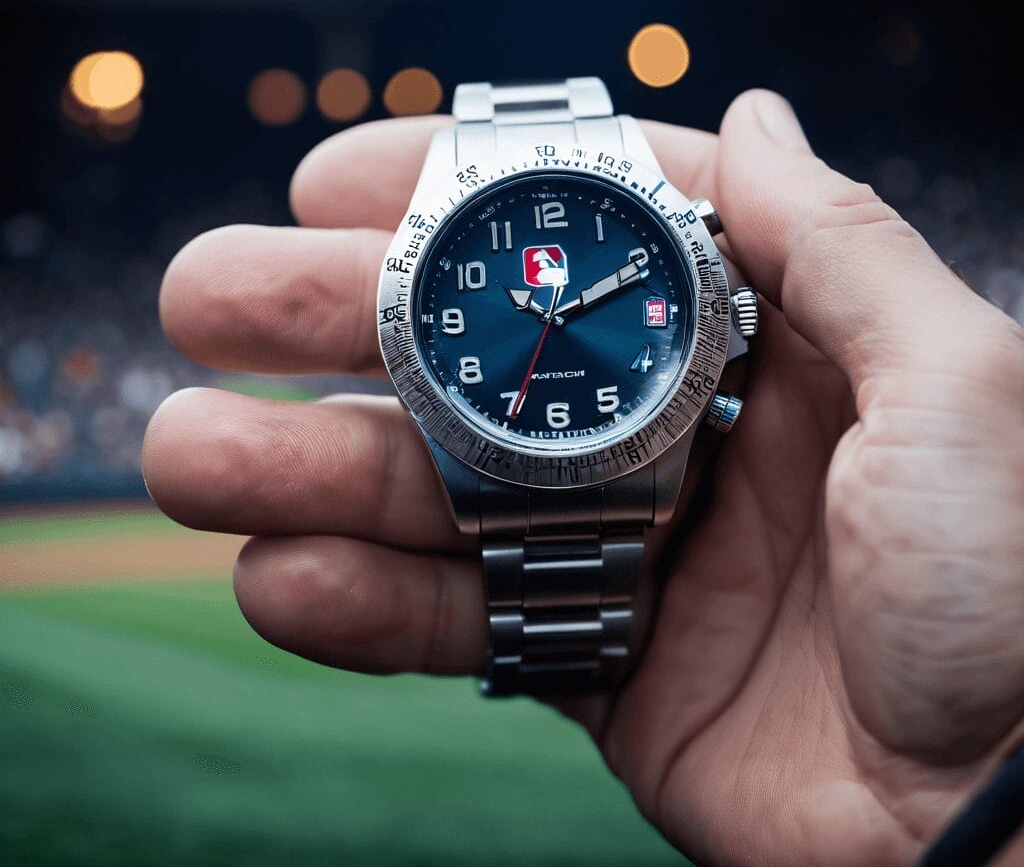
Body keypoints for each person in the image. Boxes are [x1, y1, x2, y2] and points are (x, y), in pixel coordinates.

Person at [142, 90, 1024, 866]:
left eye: (568, 299)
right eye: (541, 300)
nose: (557, 308)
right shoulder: (578, 268)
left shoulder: (657, 308)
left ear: (725, 319)